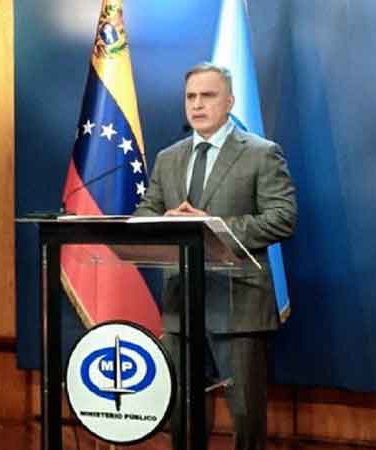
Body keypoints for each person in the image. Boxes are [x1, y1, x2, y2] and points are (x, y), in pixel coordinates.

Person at [133, 62, 297, 450]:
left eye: (207, 96)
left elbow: (282, 218)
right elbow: (144, 213)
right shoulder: (168, 158)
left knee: (245, 417)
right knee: (178, 412)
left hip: (239, 303)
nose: (197, 104)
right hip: (181, 303)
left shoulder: (261, 154)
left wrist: (212, 226)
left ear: (230, 102)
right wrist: (163, 221)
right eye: (190, 97)